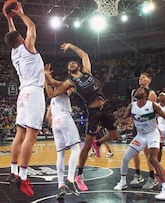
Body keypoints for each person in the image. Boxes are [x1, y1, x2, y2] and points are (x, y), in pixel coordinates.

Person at [44, 42, 118, 191]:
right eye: (69, 64)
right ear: (68, 70)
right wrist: (45, 75)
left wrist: (71, 46)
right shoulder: (70, 83)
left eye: (73, 62)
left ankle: (99, 143)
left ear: (77, 66)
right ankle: (79, 175)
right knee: (86, 145)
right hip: (93, 112)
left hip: (105, 107)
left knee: (114, 135)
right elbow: (52, 89)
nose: (72, 64)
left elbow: (84, 55)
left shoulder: (87, 73)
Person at [3, 2, 45, 197]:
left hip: (22, 94)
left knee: (19, 134)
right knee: (31, 135)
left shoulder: (14, 52)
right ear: (21, 38)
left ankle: (13, 173)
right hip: (34, 92)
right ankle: (24, 177)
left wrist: (9, 18)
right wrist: (20, 14)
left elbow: (13, 34)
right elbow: (32, 27)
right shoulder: (27, 46)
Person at [113, 87, 165, 200]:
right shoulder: (132, 106)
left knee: (152, 159)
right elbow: (123, 119)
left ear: (146, 94)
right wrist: (123, 120)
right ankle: (123, 182)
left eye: (141, 90)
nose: (138, 91)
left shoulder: (152, 105)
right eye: (137, 90)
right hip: (140, 136)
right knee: (125, 158)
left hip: (152, 134)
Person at [45, 76, 80, 199]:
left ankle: (60, 186)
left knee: (60, 155)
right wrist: (47, 75)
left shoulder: (52, 100)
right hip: (64, 117)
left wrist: (46, 77)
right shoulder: (62, 90)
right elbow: (70, 88)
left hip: (55, 122)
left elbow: (48, 117)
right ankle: (70, 179)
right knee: (76, 149)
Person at [130, 72, 158, 190]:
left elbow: (153, 112)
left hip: (147, 127)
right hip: (137, 125)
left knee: (148, 153)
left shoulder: (151, 94)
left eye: (144, 77)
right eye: (140, 77)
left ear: (149, 80)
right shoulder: (134, 92)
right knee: (134, 151)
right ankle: (138, 175)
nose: (141, 79)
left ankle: (152, 178)